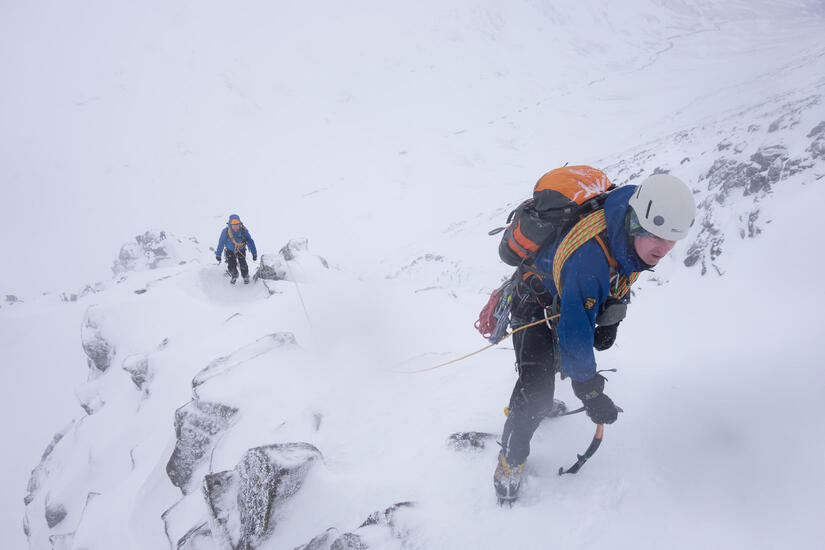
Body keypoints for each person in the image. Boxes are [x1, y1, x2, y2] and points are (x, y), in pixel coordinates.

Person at [493, 173, 696, 502]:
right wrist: (590, 392)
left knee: (560, 365)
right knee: (535, 394)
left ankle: (534, 403)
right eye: (657, 237)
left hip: (563, 297)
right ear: (638, 224)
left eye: (672, 240)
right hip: (534, 305)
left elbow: (622, 267)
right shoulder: (590, 261)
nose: (665, 248)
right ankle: (510, 460)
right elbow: (575, 337)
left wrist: (613, 312)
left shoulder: (630, 216)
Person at [215, 215, 258, 284]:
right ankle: (234, 275)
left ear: (239, 224)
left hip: (241, 250)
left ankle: (245, 276)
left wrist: (254, 253)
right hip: (230, 251)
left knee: (243, 263)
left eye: (237, 225)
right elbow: (221, 243)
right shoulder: (225, 232)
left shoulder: (244, 231)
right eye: (233, 225)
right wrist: (218, 255)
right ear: (230, 225)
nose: (235, 227)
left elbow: (250, 241)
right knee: (231, 264)